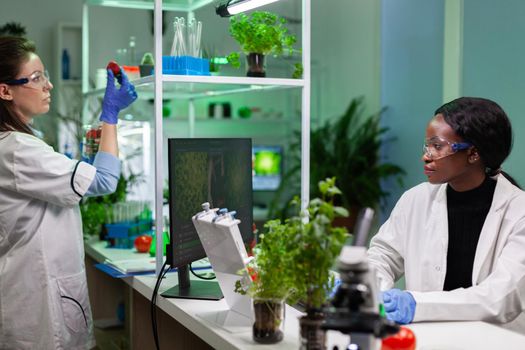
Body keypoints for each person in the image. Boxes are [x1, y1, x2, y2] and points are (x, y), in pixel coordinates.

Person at [0, 36, 137, 349]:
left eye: (45, 75)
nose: (48, 86)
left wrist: (84, 162)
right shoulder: (19, 149)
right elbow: (104, 181)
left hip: (36, 292)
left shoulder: (20, 144)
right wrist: (111, 115)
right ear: (5, 91)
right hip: (37, 308)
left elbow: (64, 188)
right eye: (36, 78)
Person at [367, 97, 525, 332]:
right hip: (428, 338)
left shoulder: (518, 211)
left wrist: (415, 304)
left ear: (473, 154)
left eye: (437, 146)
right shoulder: (416, 199)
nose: (426, 155)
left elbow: (501, 297)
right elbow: (382, 255)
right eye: (426, 146)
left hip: (494, 341)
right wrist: (376, 292)